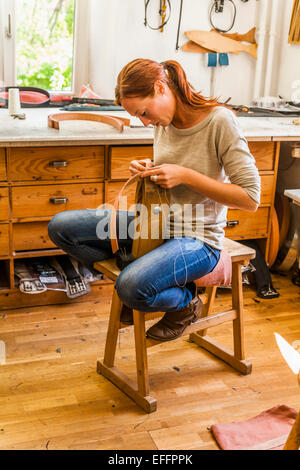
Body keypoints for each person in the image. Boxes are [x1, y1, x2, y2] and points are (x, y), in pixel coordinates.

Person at [48, 58, 260, 342]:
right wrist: (149, 168)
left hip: (199, 239)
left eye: (144, 112)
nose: (146, 122)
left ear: (161, 88)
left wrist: (185, 175)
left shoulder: (220, 121)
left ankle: (185, 304)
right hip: (154, 226)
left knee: (131, 286)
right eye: (139, 117)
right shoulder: (164, 122)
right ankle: (137, 270)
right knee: (62, 227)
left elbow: (250, 198)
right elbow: (174, 167)